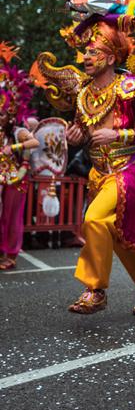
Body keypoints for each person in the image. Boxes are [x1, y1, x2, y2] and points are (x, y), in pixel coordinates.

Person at [31, 0, 135, 315]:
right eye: (84, 53)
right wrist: (76, 137)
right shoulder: (83, 95)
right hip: (99, 173)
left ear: (112, 57)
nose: (84, 58)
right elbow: (84, 135)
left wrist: (119, 133)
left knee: (94, 221)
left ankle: (94, 290)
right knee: (119, 235)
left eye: (92, 54)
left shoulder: (131, 88)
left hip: (128, 169)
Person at [0, 42, 39, 271]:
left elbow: (33, 142)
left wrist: (11, 149)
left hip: (17, 176)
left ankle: (11, 254)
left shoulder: (17, 129)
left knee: (11, 216)